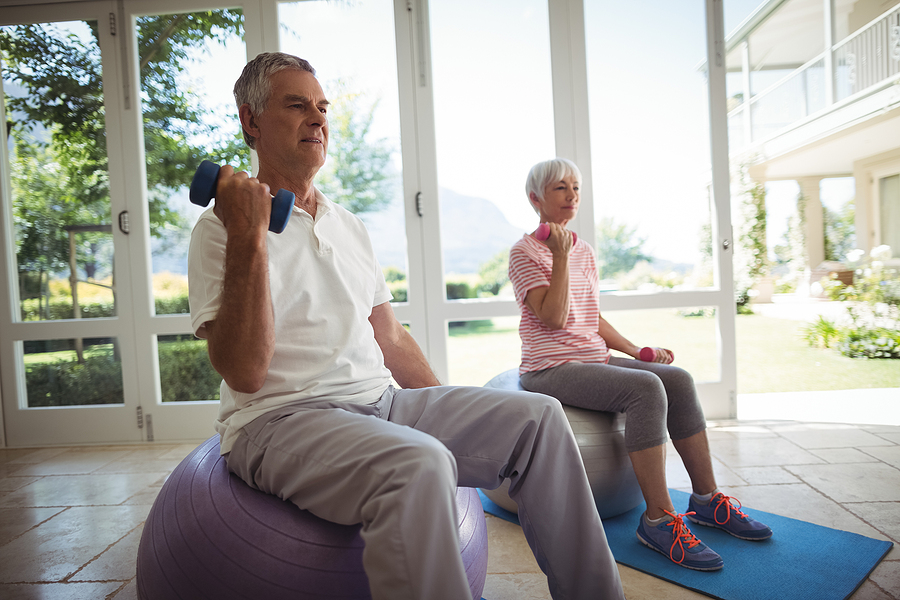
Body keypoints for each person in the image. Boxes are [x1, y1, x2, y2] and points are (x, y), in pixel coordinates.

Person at [188, 53, 626, 600]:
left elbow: (390, 337)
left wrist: (451, 414)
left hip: (382, 403)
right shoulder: (219, 230)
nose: (318, 119)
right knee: (421, 463)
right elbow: (245, 373)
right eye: (297, 105)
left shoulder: (348, 225)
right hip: (279, 419)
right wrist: (249, 233)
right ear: (250, 120)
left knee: (540, 418)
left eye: (323, 107)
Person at [508, 157, 773, 572]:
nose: (572, 195)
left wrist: (635, 351)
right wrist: (559, 256)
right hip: (549, 368)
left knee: (677, 379)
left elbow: (589, 316)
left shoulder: (583, 251)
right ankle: (658, 521)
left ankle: (706, 500)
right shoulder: (524, 252)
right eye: (560, 187)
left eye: (576, 187)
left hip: (592, 358)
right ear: (535, 198)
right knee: (646, 389)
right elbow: (554, 317)